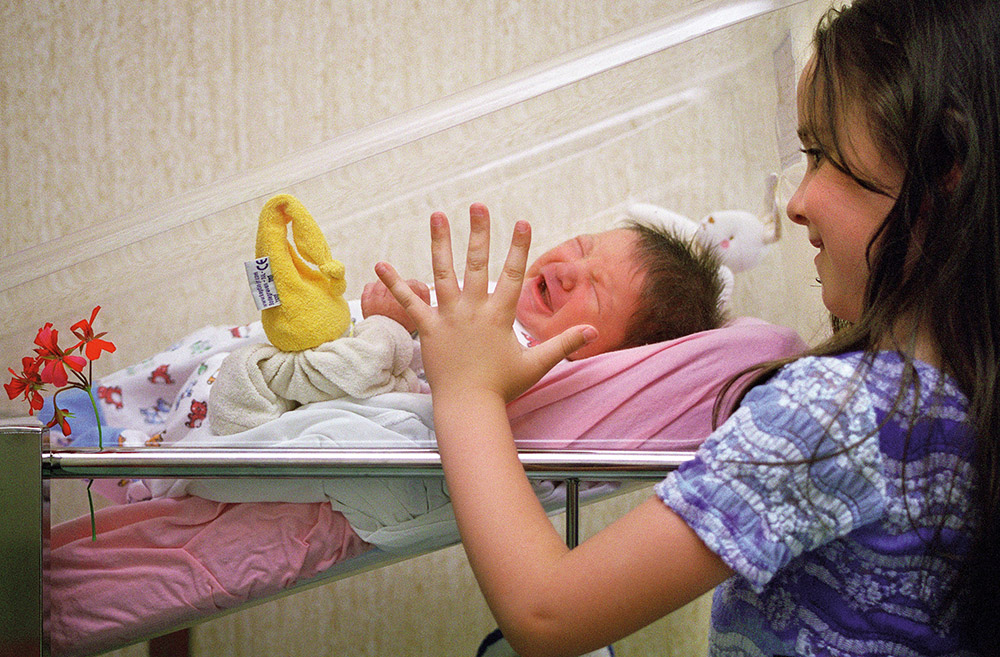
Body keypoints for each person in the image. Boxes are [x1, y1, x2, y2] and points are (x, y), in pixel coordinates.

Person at [373, 0, 999, 654]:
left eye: (821, 155)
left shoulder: (833, 410)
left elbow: (547, 610)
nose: (796, 200)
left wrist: (468, 390)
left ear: (939, 172)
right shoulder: (959, 403)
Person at [361, 219, 727, 361]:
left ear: (603, 358)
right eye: (583, 247)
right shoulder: (491, 294)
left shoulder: (526, 367)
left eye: (596, 292)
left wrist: (387, 330)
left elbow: (408, 408)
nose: (569, 270)